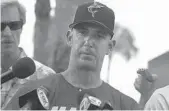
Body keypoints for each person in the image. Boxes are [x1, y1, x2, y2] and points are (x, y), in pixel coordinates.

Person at [3, 2, 153, 110]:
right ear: (70, 38)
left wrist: (146, 98)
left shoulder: (125, 105)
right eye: (82, 32)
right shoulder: (31, 94)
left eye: (99, 36)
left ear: (110, 46)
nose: (88, 41)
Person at [1, 0, 56, 109]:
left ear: (21, 27)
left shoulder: (46, 77)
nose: (7, 33)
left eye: (14, 25)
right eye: (0, 26)